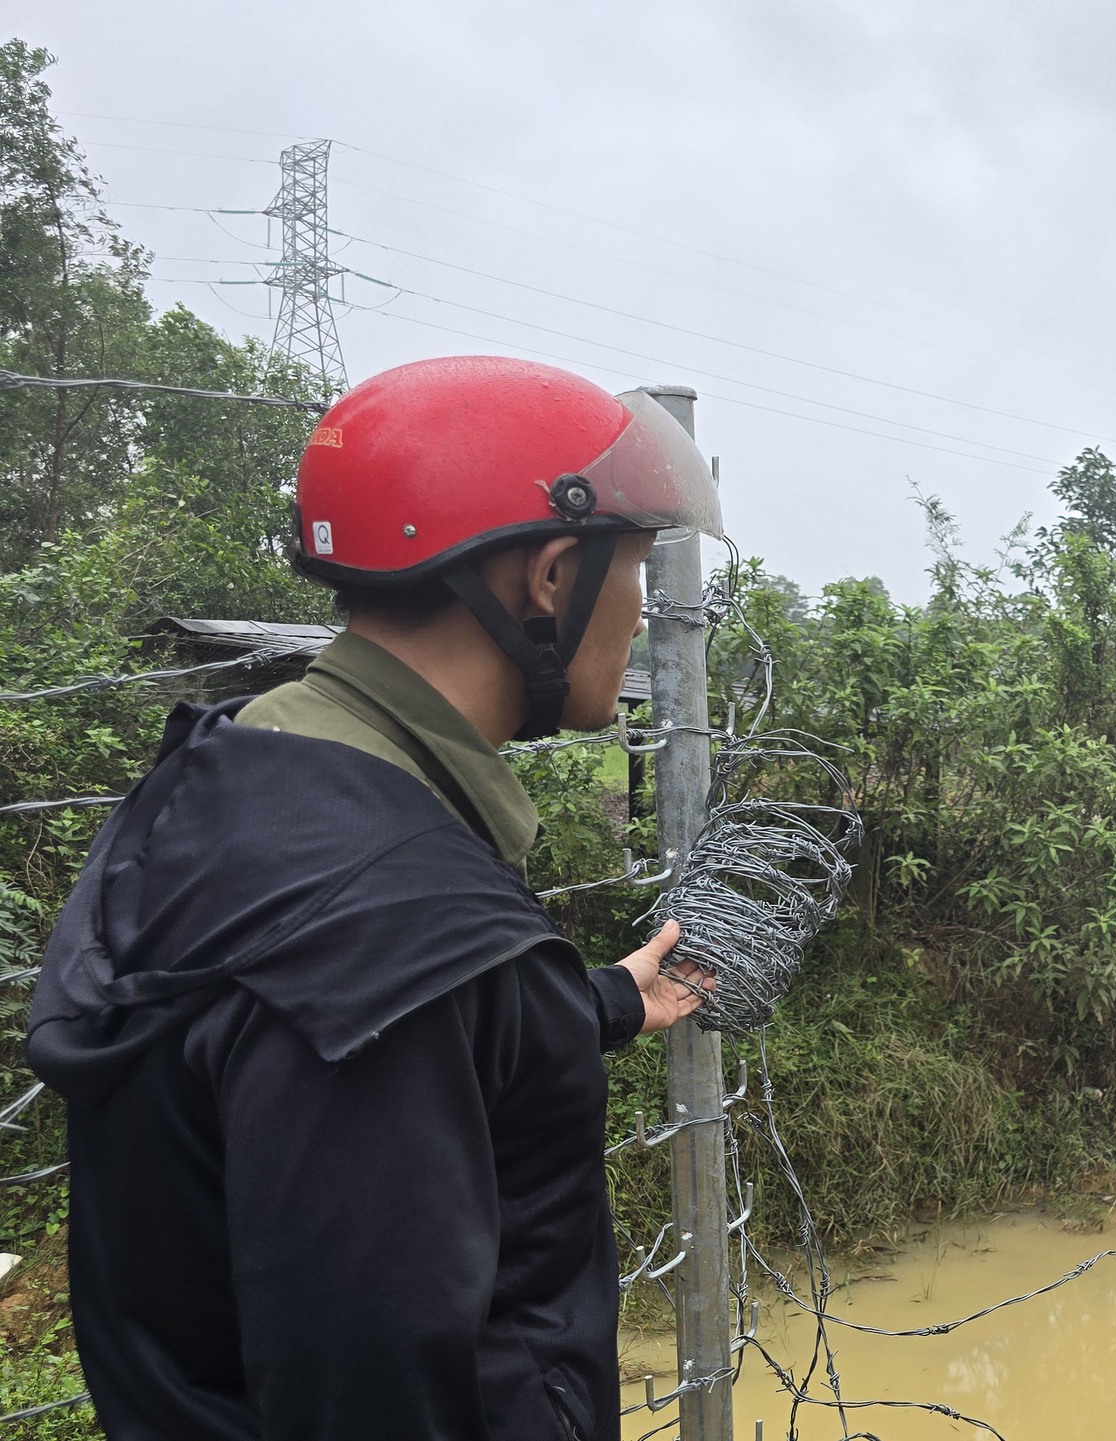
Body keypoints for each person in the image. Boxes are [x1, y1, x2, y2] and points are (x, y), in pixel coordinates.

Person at [27, 356, 722, 1439]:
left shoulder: (240, 776)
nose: (639, 613)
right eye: (631, 566)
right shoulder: (397, 937)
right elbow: (375, 1381)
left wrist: (595, 1002)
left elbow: (321, 1026)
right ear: (550, 578)